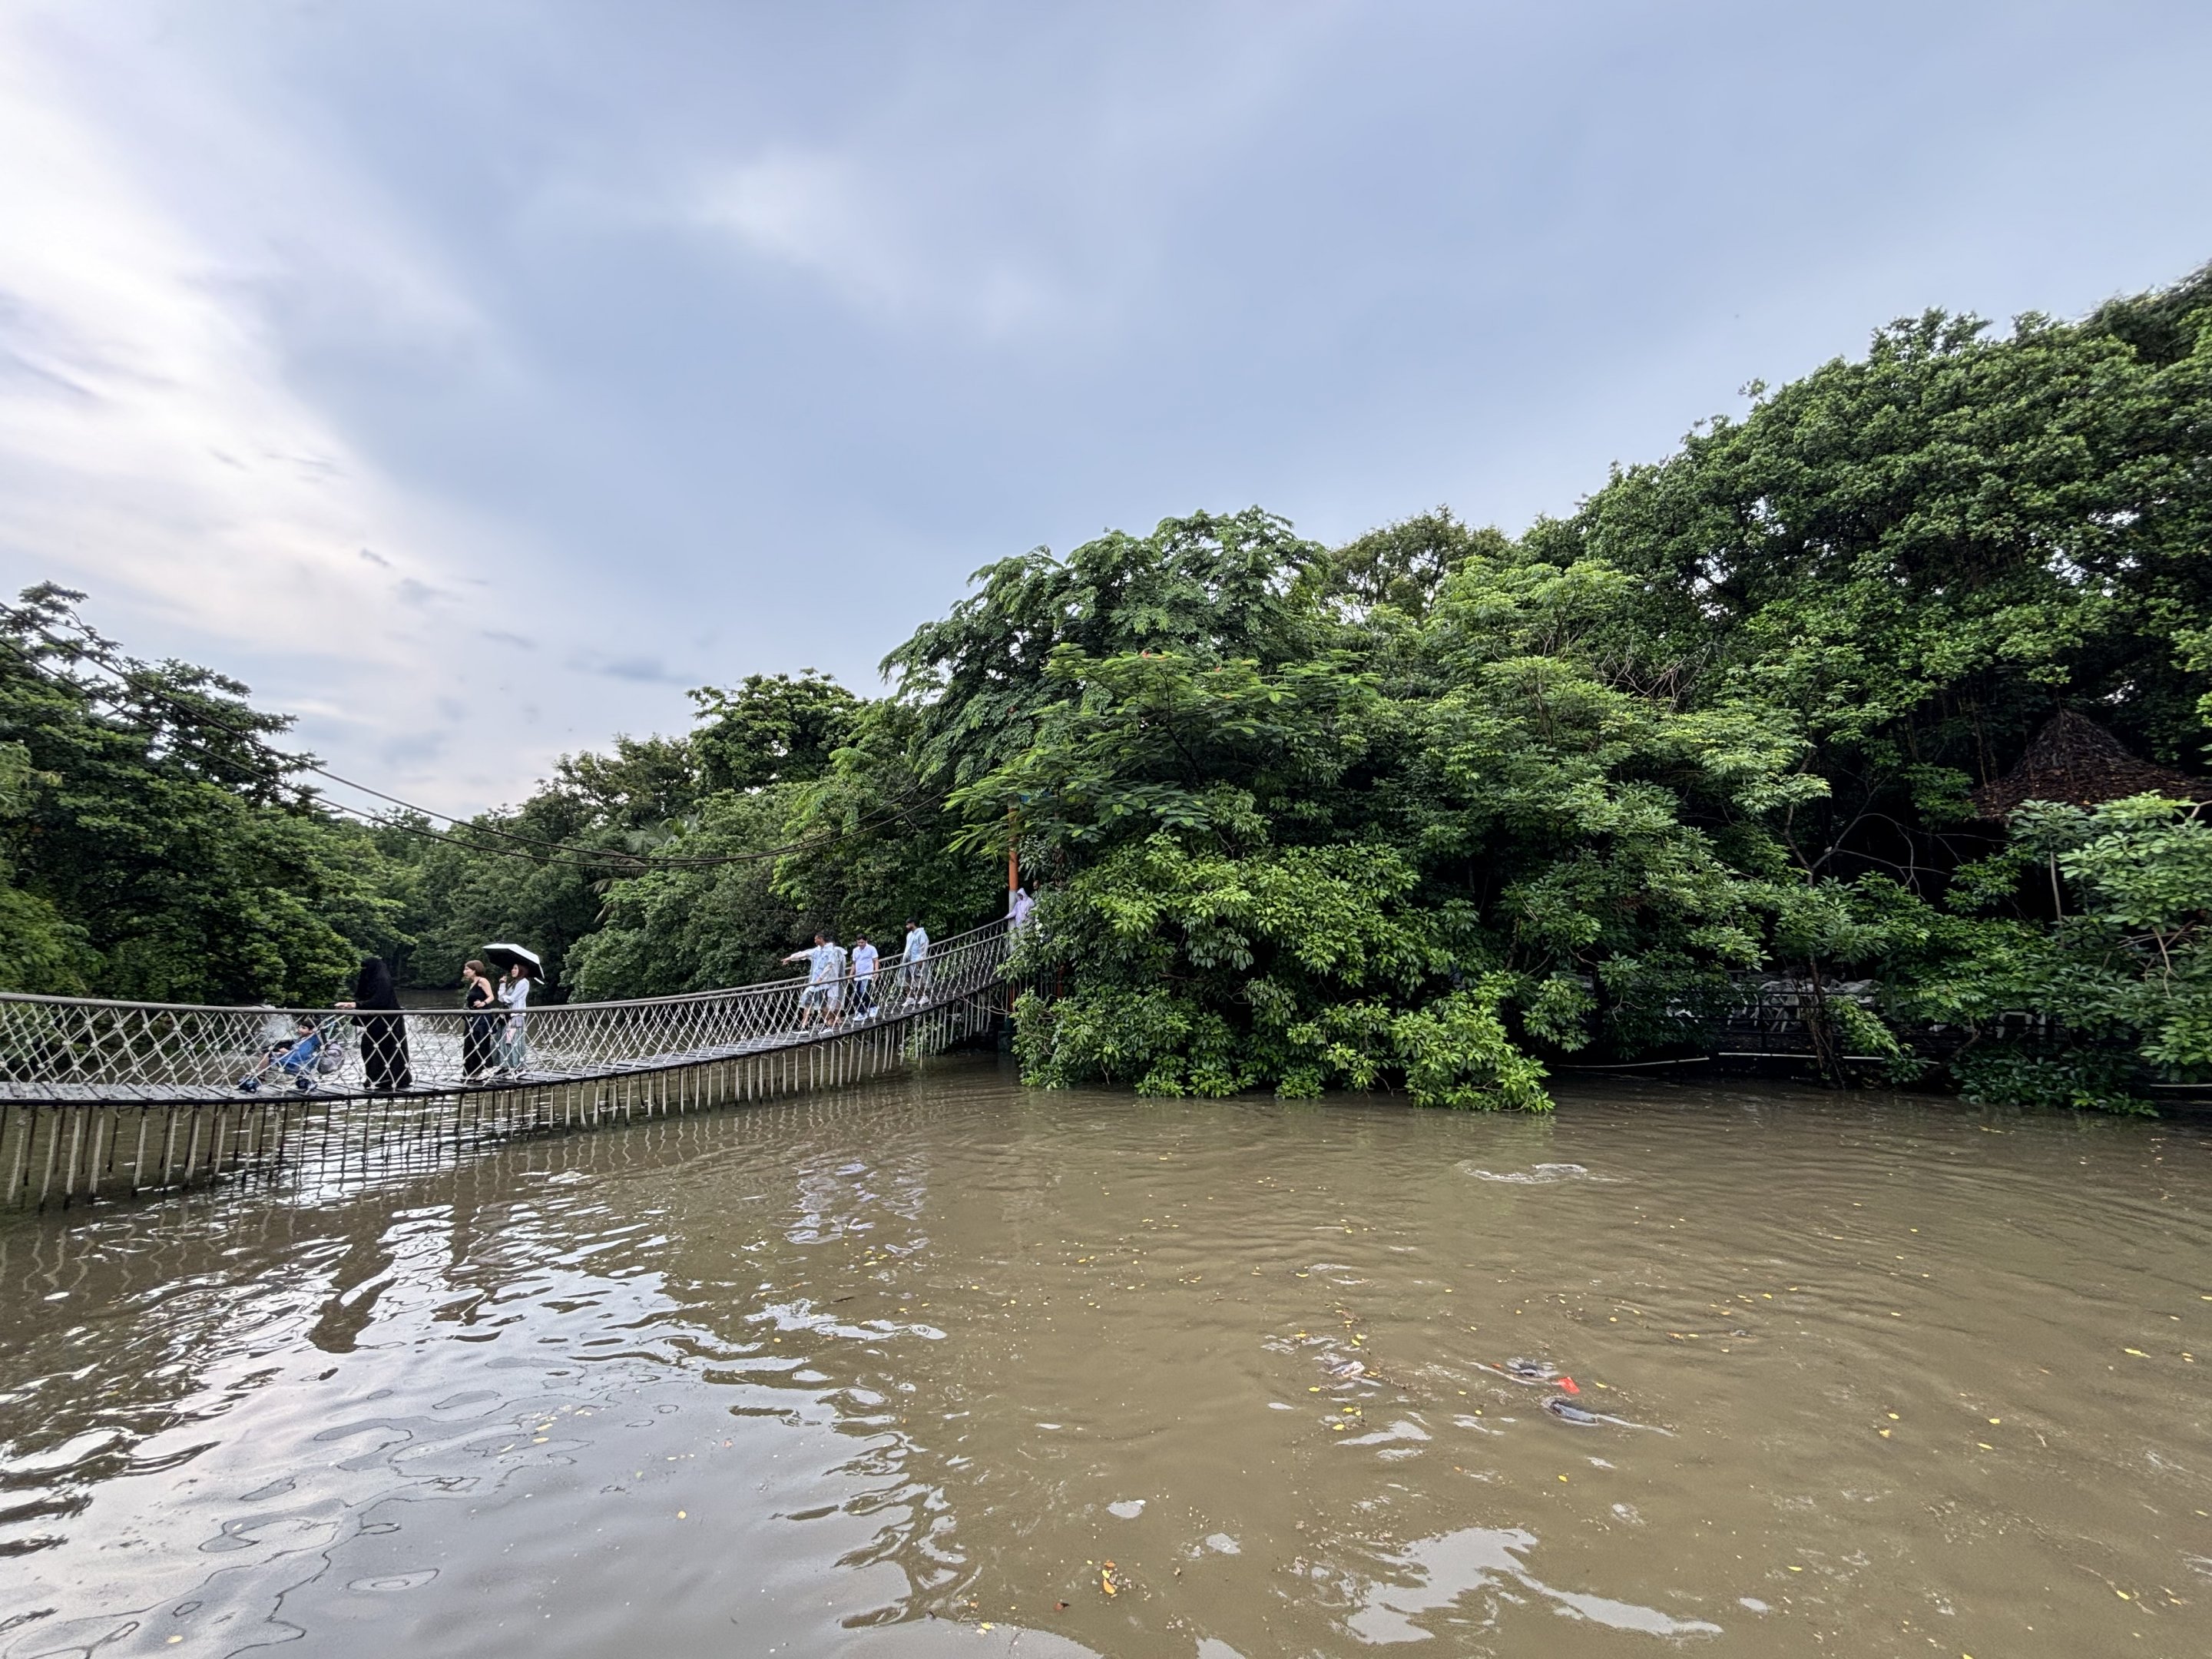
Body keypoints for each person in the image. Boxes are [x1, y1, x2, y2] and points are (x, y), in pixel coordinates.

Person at [338, 956, 412, 1091]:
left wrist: (355, 1005)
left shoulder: (382, 981)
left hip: (388, 1023)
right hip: (377, 1023)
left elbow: (380, 1001)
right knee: (370, 1048)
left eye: (366, 968)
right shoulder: (376, 980)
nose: (364, 971)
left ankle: (391, 1079)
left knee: (388, 1049)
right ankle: (377, 1078)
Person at [238, 1017, 326, 1092]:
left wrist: (286, 1052)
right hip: (299, 1063)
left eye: (303, 1028)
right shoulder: (308, 1039)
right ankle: (259, 1073)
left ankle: (260, 1075)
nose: (299, 1030)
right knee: (268, 1051)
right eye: (299, 1027)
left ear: (312, 1031)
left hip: (297, 1064)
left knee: (267, 1053)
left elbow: (300, 1055)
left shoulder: (309, 1042)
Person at [783, 932, 846, 1030]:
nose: (815, 941)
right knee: (806, 1001)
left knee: (822, 1006)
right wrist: (790, 958)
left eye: (816, 939)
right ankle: (805, 1025)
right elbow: (803, 954)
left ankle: (827, 1024)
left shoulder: (831, 951)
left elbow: (829, 966)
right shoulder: (817, 950)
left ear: (821, 939)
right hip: (813, 983)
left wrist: (820, 979)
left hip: (823, 983)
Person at [461, 959, 499, 1079]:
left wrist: (483, 1003)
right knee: (470, 1043)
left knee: (481, 1043)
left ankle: (486, 1069)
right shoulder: (472, 983)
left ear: (475, 970)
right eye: (465, 969)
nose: (465, 972)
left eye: (467, 969)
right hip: (472, 1018)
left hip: (482, 1018)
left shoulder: (482, 981)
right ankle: (471, 1071)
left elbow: (491, 996)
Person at [496, 960, 532, 1073]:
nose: (513, 970)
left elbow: (512, 999)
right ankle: (505, 1066)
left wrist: (505, 997)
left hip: (517, 1015)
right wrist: (502, 984)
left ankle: (519, 1067)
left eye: (516, 968)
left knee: (514, 1040)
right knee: (503, 1040)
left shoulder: (524, 982)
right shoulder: (513, 983)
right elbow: (501, 998)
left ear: (522, 970)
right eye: (512, 968)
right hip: (508, 1015)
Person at [899, 919, 930, 1008]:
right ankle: (910, 997)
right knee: (907, 978)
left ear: (912, 924)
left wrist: (921, 959)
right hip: (909, 960)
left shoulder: (921, 933)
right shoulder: (909, 935)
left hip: (917, 959)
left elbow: (924, 946)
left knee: (918, 978)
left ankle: (923, 996)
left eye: (908, 924)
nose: (907, 926)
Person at [849, 933, 879, 1019]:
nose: (861, 944)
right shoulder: (855, 950)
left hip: (867, 974)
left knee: (863, 991)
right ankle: (861, 1012)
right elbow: (854, 963)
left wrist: (876, 972)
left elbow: (876, 961)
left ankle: (872, 1007)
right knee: (855, 995)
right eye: (859, 943)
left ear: (866, 941)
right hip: (858, 975)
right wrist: (851, 974)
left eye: (862, 942)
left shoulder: (871, 949)